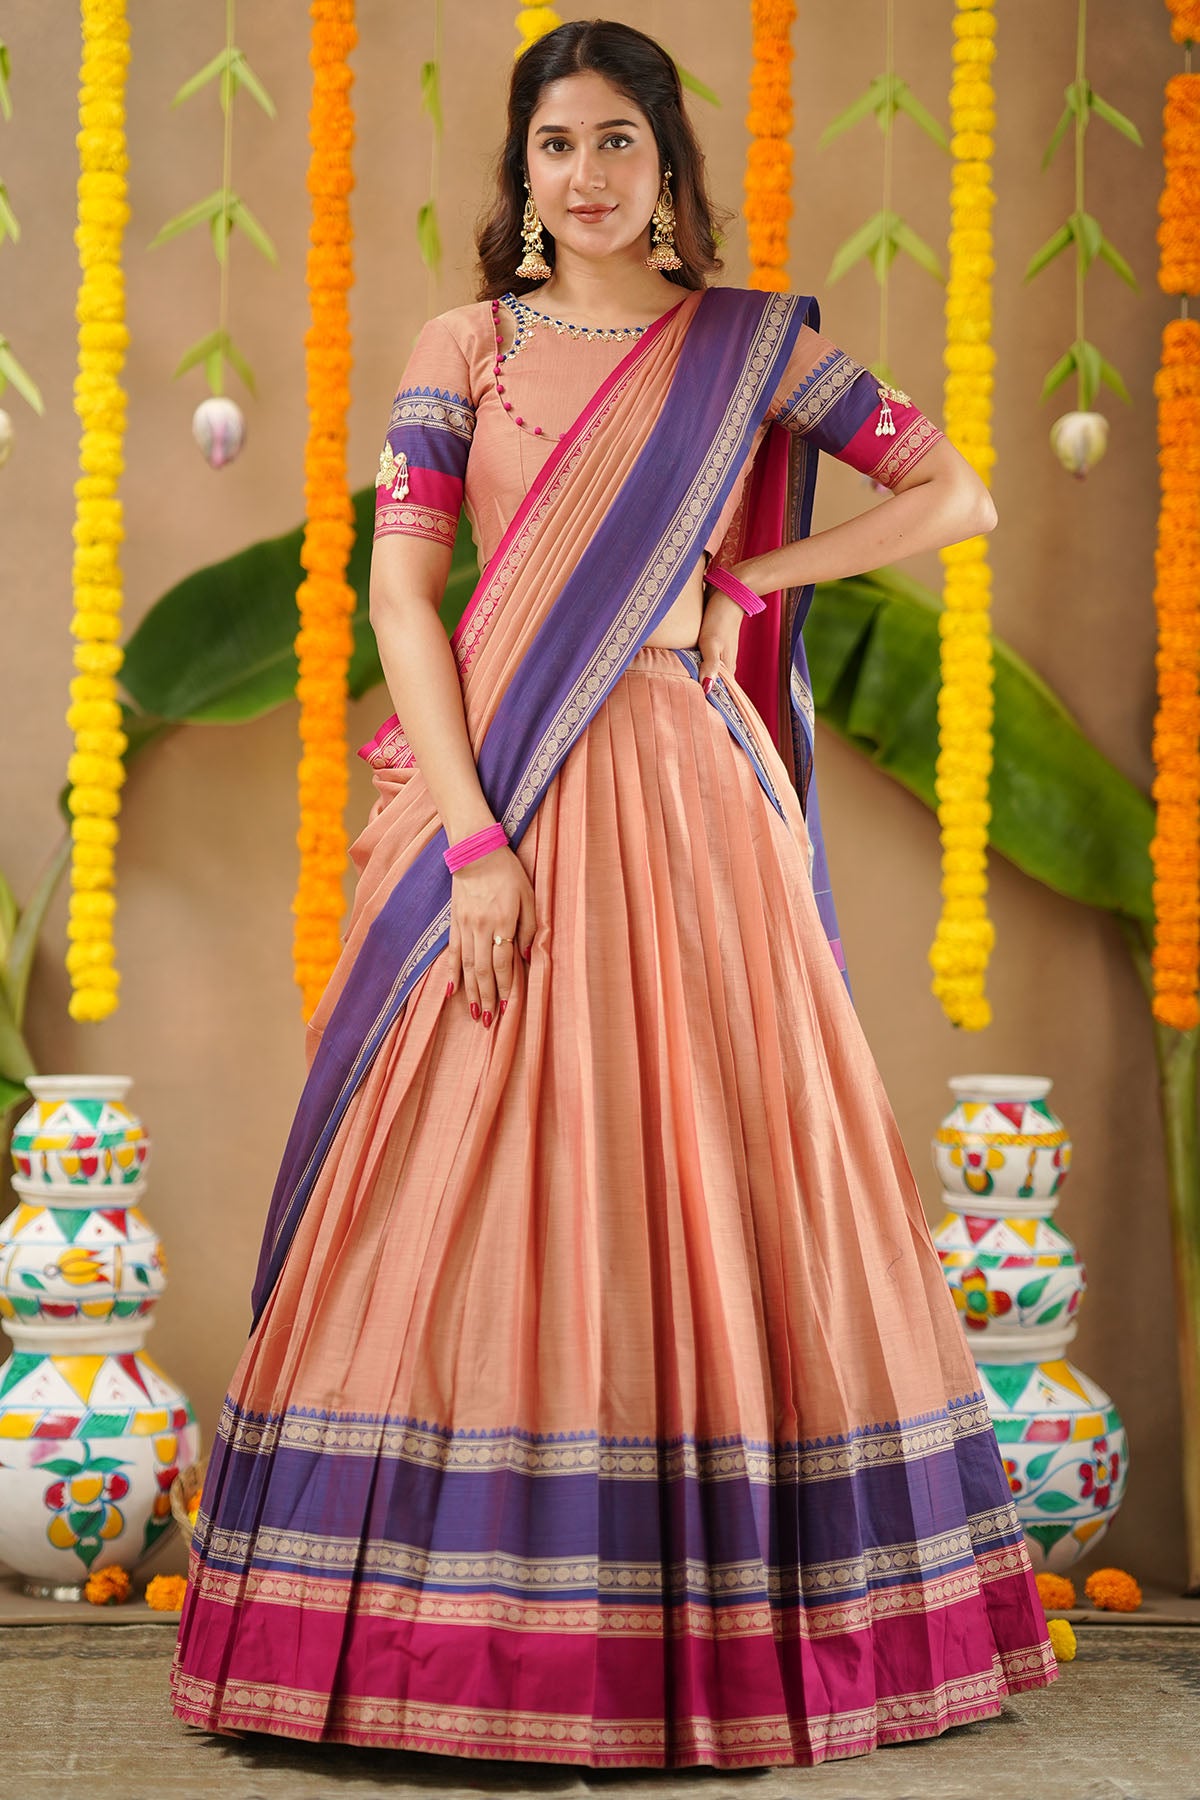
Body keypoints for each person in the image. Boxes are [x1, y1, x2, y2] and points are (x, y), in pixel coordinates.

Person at [171, 18, 1056, 1771]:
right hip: (496, 790)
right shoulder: (468, 347)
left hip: (686, 798)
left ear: (667, 170)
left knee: (713, 1166)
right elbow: (405, 598)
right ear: (524, 173)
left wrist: (753, 575)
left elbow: (955, 493)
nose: (587, 175)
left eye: (619, 144)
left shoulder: (747, 350)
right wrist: (474, 842)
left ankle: (715, 1626)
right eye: (557, 145)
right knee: (462, 1172)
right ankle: (448, 1637)